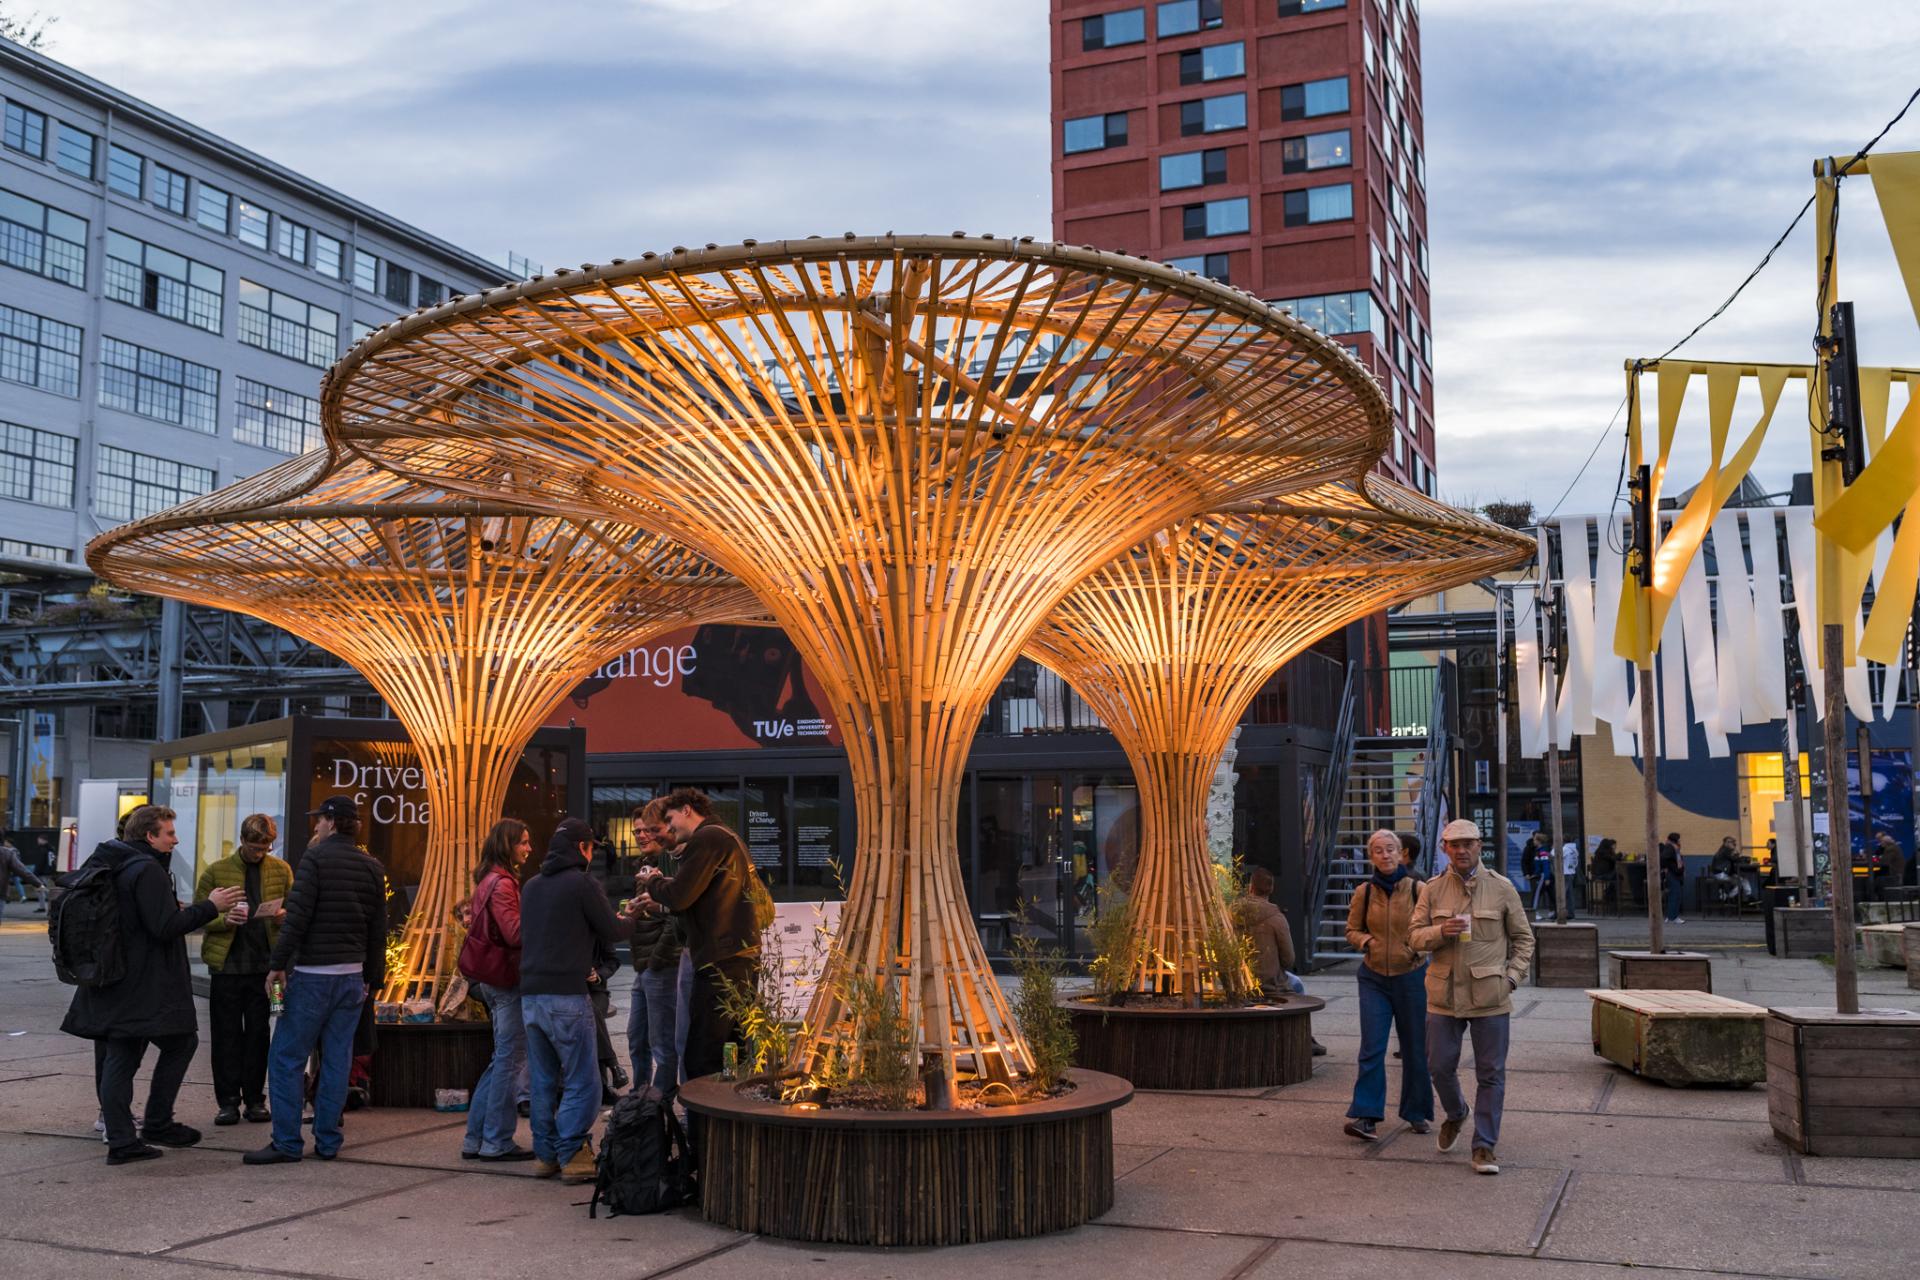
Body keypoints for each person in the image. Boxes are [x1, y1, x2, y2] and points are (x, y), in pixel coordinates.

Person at [61, 805, 245, 1164]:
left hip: (113, 978)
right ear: (150, 835)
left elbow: (142, 917)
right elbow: (165, 927)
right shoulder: (146, 869)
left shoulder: (115, 862)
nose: (175, 840)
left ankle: (129, 1135)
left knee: (127, 1053)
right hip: (141, 983)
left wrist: (173, 907)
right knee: (165, 1046)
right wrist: (211, 905)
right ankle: (145, 1129)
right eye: (169, 833)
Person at [246, 796, 389, 1165]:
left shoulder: (315, 860)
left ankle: (286, 1142)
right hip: (351, 978)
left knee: (286, 1057)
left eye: (319, 820)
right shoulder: (371, 866)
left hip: (313, 976)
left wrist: (277, 965)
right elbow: (378, 928)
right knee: (338, 1059)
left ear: (332, 821)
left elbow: (296, 919)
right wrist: (373, 978)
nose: (315, 826)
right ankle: (328, 1141)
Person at [1410, 818, 1534, 1176]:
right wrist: (1439, 932)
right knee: (1438, 1066)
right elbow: (1414, 937)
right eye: (1455, 844)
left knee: (1491, 1073)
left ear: (1480, 845)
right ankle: (1456, 1112)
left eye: (1468, 843)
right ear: (1444, 849)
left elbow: (1524, 939)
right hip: (1443, 994)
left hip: (1490, 996)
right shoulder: (1432, 889)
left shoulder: (1502, 887)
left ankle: (1484, 1146)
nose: (1462, 850)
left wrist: (1511, 978)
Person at [519, 815, 633, 1183]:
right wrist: (633, 916)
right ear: (582, 848)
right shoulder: (582, 884)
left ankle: (546, 1155)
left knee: (542, 1080)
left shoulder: (531, 886)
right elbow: (612, 930)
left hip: (531, 996)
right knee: (584, 1080)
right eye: (590, 849)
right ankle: (572, 1154)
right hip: (567, 994)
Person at [634, 789, 761, 1091]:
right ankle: (727, 1111)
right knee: (731, 1049)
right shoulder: (724, 836)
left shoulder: (707, 838)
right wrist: (663, 902)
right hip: (737, 957)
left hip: (720, 959)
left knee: (702, 1056)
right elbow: (699, 898)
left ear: (687, 810)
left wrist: (653, 880)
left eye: (669, 820)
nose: (669, 828)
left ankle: (704, 1118)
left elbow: (680, 895)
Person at [196, 814, 292, 1126]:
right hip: (226, 967)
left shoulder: (281, 869)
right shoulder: (217, 870)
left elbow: (295, 909)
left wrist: (284, 916)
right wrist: (224, 920)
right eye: (254, 847)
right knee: (225, 1035)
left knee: (260, 1034)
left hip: (268, 968)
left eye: (265, 847)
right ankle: (227, 1102)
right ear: (242, 841)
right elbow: (198, 914)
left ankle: (255, 1100)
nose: (260, 853)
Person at [1343, 830, 1431, 1141]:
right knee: (1372, 1047)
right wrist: (1367, 941)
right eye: (1378, 850)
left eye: (1390, 849)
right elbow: (1352, 930)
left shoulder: (1419, 890)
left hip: (1412, 976)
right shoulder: (1364, 892)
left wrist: (1415, 950)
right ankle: (1366, 1116)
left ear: (1401, 853)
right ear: (1372, 857)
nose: (1385, 855)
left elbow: (1430, 929)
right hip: (1374, 978)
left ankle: (1416, 1111)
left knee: (1415, 1048)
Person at [461, 818, 534, 1162]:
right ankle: (496, 1141)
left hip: (491, 978)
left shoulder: (488, 878)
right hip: (506, 980)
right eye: (523, 842)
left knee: (501, 1060)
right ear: (507, 844)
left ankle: (475, 1138)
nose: (529, 848)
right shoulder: (503, 883)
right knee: (510, 1060)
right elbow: (514, 933)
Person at [626, 799, 683, 1094]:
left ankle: (658, 1102)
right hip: (643, 964)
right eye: (637, 831)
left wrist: (657, 959)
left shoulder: (669, 864)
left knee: (662, 1042)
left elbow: (676, 917)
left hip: (660, 965)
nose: (642, 836)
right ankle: (639, 1095)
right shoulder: (643, 866)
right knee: (636, 1038)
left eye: (647, 830)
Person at [2, 827, 48, 917]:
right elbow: (22, 870)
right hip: (8, 880)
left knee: (17, 883)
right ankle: (23, 896)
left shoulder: (10, 851)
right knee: (17, 883)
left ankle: (23, 896)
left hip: (13, 873)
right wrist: (38, 883)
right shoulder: (7, 853)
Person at [1659, 832, 1686, 925]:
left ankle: (1671, 916)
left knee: (1674, 895)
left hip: (1674, 874)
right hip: (1673, 874)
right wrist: (1670, 867)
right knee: (1675, 895)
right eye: (1679, 839)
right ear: (1675, 839)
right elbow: (1663, 858)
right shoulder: (1670, 848)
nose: (1680, 841)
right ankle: (1673, 917)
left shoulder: (1672, 847)